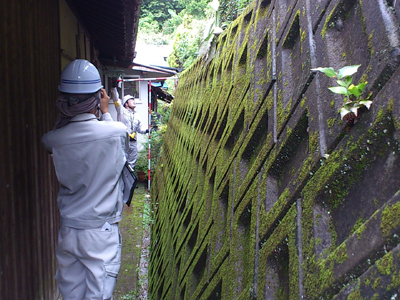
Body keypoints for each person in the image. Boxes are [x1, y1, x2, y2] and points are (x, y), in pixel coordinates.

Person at [41, 59, 129, 300]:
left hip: (69, 231)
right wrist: (106, 112)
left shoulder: (53, 140)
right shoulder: (115, 131)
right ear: (98, 96)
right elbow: (123, 145)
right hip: (100, 231)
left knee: (71, 294)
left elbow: (53, 140)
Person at [111, 87, 148, 170]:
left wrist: (146, 130)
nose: (134, 101)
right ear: (126, 104)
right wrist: (114, 88)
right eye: (131, 100)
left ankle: (130, 180)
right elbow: (116, 100)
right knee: (122, 162)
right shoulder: (121, 110)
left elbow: (139, 128)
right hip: (124, 141)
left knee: (132, 163)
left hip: (133, 143)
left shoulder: (136, 115)